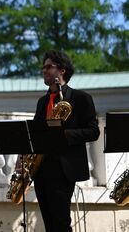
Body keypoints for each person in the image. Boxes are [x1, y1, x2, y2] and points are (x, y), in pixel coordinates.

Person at [31, 50, 99, 231]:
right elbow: (36, 133)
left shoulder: (81, 98)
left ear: (62, 70)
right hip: (42, 168)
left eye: (48, 67)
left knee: (61, 222)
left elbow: (93, 131)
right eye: (43, 67)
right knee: (49, 223)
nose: (44, 70)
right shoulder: (42, 102)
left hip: (63, 168)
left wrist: (65, 135)